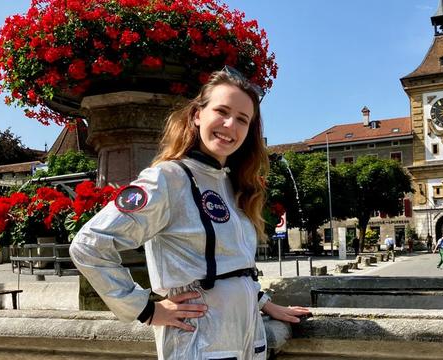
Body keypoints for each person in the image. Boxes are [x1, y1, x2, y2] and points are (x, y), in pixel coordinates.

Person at [69, 68, 311, 360]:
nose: (230, 124)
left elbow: (229, 262)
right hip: (199, 339)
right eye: (221, 111)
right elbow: (89, 244)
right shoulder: (168, 179)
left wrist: (262, 301)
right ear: (197, 114)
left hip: (247, 336)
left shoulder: (232, 184)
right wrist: (145, 309)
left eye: (242, 119)